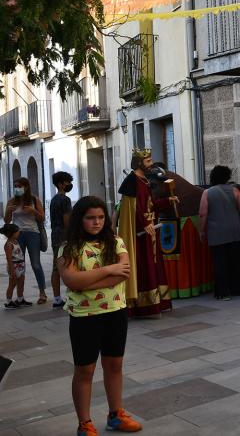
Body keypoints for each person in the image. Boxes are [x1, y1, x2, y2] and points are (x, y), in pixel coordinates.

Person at [57, 196, 143, 435]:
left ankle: (116, 415)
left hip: (115, 312)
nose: (96, 222)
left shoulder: (115, 242)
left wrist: (87, 281)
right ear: (79, 219)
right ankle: (84, 423)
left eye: (101, 217)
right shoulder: (69, 247)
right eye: (90, 218)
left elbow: (123, 274)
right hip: (85, 316)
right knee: (85, 370)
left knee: (114, 365)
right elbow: (72, 280)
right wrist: (107, 269)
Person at [117, 149, 177, 318]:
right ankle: (143, 305)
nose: (151, 164)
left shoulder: (144, 181)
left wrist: (168, 201)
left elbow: (149, 205)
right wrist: (144, 225)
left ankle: (156, 303)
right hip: (140, 235)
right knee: (144, 267)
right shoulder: (132, 181)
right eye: (148, 161)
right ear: (138, 164)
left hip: (150, 230)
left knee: (154, 266)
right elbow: (134, 208)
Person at [199, 165, 240, 300]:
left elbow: (203, 214)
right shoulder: (235, 190)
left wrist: (202, 231)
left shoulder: (207, 193)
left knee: (220, 263)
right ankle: (236, 289)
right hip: (235, 231)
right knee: (234, 262)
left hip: (217, 232)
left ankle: (223, 292)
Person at [4, 177, 47, 304]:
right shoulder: (12, 201)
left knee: (36, 264)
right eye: (15, 186)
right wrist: (8, 211)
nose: (17, 188)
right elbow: (6, 221)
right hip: (17, 235)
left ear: (26, 187)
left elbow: (42, 218)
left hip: (33, 233)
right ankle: (20, 297)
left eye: (20, 186)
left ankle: (42, 293)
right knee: (19, 265)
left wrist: (33, 211)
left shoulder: (34, 200)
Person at [50, 171, 75, 309]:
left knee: (56, 266)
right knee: (68, 265)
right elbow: (67, 221)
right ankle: (71, 295)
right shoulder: (65, 200)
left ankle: (56, 298)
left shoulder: (54, 199)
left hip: (55, 234)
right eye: (67, 182)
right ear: (60, 184)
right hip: (64, 235)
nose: (69, 184)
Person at [3, 223, 26, 309]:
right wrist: (12, 270)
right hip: (14, 266)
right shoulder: (8, 245)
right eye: (17, 232)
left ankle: (20, 299)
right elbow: (9, 259)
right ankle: (9, 302)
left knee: (21, 283)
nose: (19, 233)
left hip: (20, 265)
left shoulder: (16, 241)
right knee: (12, 284)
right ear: (11, 233)